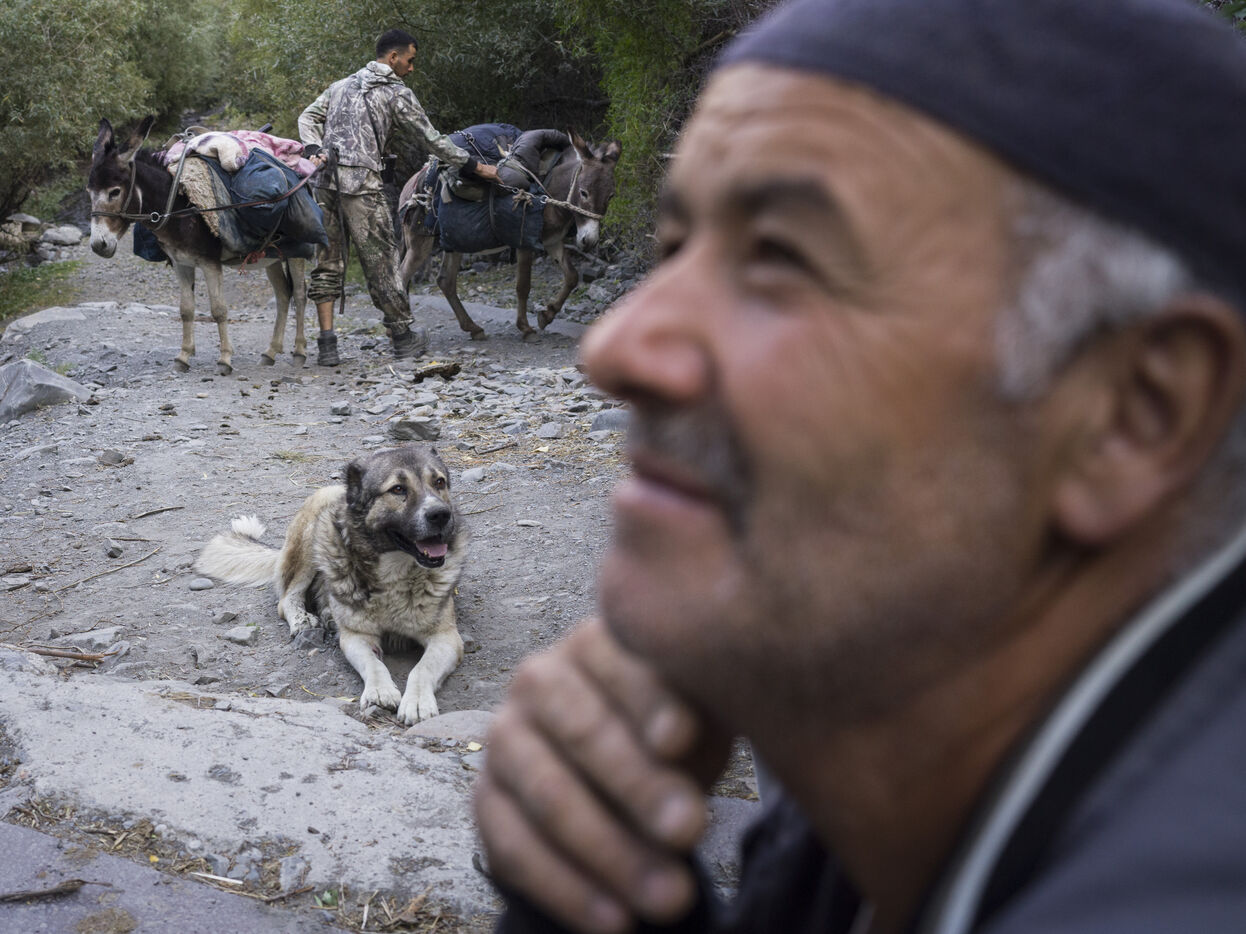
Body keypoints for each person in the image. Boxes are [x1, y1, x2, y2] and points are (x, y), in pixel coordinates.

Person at [472, 1, 1246, 932]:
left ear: (1136, 412)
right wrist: (599, 897)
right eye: (675, 249)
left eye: (780, 256)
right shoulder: (895, 770)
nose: (614, 348)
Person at [298, 28, 499, 365]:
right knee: (382, 262)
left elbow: (307, 117)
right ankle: (403, 338)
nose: (411, 67)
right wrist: (475, 166)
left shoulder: (340, 86)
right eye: (410, 60)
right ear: (393, 58)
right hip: (362, 186)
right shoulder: (396, 93)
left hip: (324, 184)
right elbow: (431, 139)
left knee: (327, 261)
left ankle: (327, 345)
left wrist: (313, 147)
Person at [495, 128, 571, 192]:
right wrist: (570, 145)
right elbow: (556, 135)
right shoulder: (529, 136)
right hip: (525, 153)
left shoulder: (524, 139)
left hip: (522, 155)